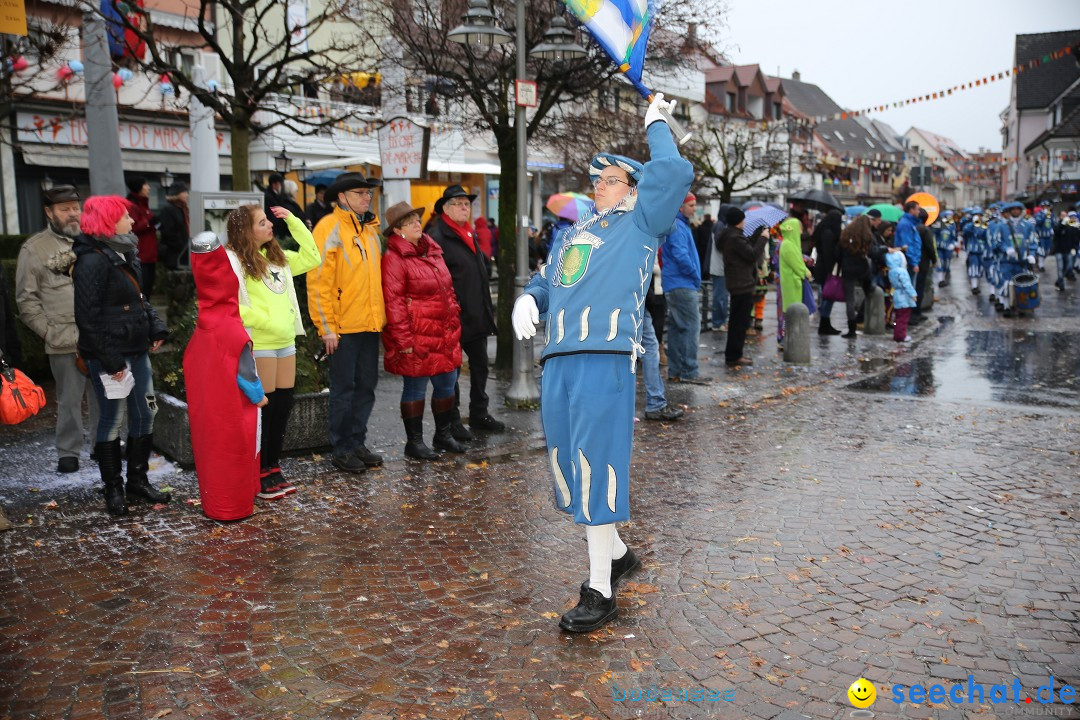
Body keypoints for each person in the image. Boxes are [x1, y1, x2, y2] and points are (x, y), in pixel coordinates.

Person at [511, 94, 693, 633]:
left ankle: (599, 589)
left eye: (611, 179)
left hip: (604, 356)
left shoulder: (642, 222)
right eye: (598, 180)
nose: (600, 187)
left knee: (598, 465)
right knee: (568, 467)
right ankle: (616, 553)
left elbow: (673, 171)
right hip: (560, 358)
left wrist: (657, 123)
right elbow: (551, 277)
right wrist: (530, 297)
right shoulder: (574, 231)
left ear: (634, 189)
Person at [72, 195, 170, 516]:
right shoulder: (91, 260)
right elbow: (87, 319)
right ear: (107, 222)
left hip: (136, 349)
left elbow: (140, 299)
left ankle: (137, 481)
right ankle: (113, 488)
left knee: (146, 413)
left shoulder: (127, 252)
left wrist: (155, 328)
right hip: (109, 356)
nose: (132, 221)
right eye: (125, 216)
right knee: (112, 420)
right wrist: (112, 362)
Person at [226, 203, 320, 499]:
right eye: (262, 222)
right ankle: (260, 470)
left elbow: (312, 256)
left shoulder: (277, 258)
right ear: (246, 230)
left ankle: (273, 466)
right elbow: (231, 305)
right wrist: (264, 322)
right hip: (262, 343)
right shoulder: (234, 261)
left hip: (286, 343)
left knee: (282, 406)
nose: (270, 226)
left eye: (269, 221)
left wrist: (293, 221)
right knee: (265, 409)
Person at [16, 185, 98, 473]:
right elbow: (26, 301)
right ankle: (69, 452)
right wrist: (48, 332)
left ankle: (105, 446)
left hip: (99, 337)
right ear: (49, 213)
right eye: (65, 209)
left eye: (76, 208)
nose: (73, 214)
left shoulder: (94, 241)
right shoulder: (34, 249)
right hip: (64, 339)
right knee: (69, 399)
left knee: (105, 394)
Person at [308, 172, 386, 473]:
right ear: (342, 197)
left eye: (368, 194)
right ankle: (341, 448)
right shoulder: (329, 228)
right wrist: (326, 327)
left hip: (369, 324)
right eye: (360, 193)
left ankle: (357, 442)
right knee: (343, 390)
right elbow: (318, 282)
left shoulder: (370, 231)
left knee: (366, 387)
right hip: (342, 329)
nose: (367, 198)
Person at [185, 231, 267, 522]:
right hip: (233, 414)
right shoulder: (233, 330)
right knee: (235, 458)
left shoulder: (202, 327)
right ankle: (234, 508)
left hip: (208, 414)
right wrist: (260, 396)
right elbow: (246, 377)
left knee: (213, 459)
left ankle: (215, 505)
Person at [380, 202, 466, 460]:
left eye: (418, 219)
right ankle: (414, 442)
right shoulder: (393, 259)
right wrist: (403, 339)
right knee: (415, 388)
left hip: (443, 332)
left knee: (446, 384)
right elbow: (393, 302)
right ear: (398, 231)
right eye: (411, 221)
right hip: (416, 334)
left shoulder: (433, 251)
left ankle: (443, 434)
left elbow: (448, 288)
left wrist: (454, 312)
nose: (418, 223)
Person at [428, 185, 505, 436]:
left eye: (467, 203)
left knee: (480, 365)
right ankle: (453, 421)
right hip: (452, 317)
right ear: (446, 208)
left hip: (476, 313)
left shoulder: (467, 232)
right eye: (459, 203)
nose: (465, 207)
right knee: (451, 372)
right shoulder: (437, 236)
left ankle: (479, 413)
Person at [661, 192, 708, 384]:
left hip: (675, 283)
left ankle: (676, 370)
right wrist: (695, 275)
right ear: (680, 207)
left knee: (677, 328)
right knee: (690, 327)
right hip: (682, 283)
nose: (694, 208)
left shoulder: (676, 225)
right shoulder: (678, 227)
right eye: (691, 205)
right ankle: (689, 370)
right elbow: (681, 256)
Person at [720, 208, 768, 368]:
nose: (745, 221)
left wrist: (757, 234)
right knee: (739, 322)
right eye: (743, 219)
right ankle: (734, 356)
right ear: (739, 221)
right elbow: (752, 254)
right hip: (741, 284)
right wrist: (763, 239)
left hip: (738, 282)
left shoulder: (733, 235)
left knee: (738, 321)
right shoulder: (734, 238)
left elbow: (746, 247)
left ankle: (735, 354)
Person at [640, 256, 683, 422]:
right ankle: (655, 402)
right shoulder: (635, 235)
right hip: (638, 299)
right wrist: (651, 299)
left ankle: (655, 401)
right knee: (650, 347)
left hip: (631, 299)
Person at [836, 215, 875, 338]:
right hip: (862, 268)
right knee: (870, 292)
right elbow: (872, 252)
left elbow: (838, 253)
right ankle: (867, 319)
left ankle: (851, 330)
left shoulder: (846, 234)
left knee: (850, 301)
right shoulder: (867, 236)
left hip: (847, 269)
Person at [777, 217, 812, 344]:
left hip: (793, 283)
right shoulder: (788, 245)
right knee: (791, 312)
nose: (801, 232)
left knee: (792, 312)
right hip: (791, 284)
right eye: (799, 229)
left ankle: (790, 339)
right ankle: (787, 340)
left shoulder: (789, 244)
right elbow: (796, 264)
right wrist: (806, 272)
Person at [811, 209, 843, 335]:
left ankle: (826, 323)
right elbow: (828, 253)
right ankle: (824, 324)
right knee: (828, 297)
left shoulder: (823, 231)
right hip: (825, 269)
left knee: (827, 297)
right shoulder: (828, 233)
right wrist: (831, 271)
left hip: (822, 268)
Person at [126, 177, 158, 297]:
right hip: (140, 255)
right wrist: (149, 223)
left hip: (149, 254)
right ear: (139, 187)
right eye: (146, 185)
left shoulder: (143, 204)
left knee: (148, 288)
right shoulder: (132, 204)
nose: (148, 187)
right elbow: (132, 227)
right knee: (142, 290)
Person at [157, 182, 190, 270]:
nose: (187, 195)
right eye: (185, 192)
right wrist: (181, 245)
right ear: (177, 194)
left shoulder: (183, 209)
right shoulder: (168, 209)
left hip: (184, 252)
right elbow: (168, 231)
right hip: (174, 254)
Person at [886, 251, 917, 343]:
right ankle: (901, 336)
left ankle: (897, 334)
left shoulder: (891, 271)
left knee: (898, 317)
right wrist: (913, 294)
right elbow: (907, 284)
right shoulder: (902, 271)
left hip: (896, 295)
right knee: (904, 318)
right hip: (904, 297)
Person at [708, 213, 728, 332]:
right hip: (720, 268)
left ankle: (719, 322)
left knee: (721, 297)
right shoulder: (720, 226)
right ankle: (718, 323)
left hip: (719, 267)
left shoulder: (718, 225)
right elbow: (720, 245)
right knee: (720, 297)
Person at [1051, 211, 1079, 291]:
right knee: (1060, 268)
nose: (1065, 217)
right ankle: (1061, 285)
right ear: (1060, 217)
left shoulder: (1070, 225)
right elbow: (1056, 231)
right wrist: (1062, 224)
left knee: (1068, 267)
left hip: (1068, 250)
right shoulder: (1058, 224)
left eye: (1065, 215)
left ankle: (1059, 281)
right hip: (1059, 250)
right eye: (1063, 216)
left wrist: (1074, 247)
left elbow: (1075, 237)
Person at [962, 213, 989, 295]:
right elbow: (965, 232)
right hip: (973, 250)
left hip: (982, 250)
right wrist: (973, 224)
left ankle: (977, 285)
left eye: (980, 215)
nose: (979, 217)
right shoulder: (969, 225)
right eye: (977, 215)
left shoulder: (983, 224)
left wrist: (984, 225)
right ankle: (974, 287)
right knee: (973, 268)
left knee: (980, 269)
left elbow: (985, 235)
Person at [934, 210, 956, 288]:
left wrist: (953, 244)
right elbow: (934, 233)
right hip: (939, 247)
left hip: (948, 248)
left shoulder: (953, 225)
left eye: (951, 215)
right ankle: (940, 280)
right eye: (948, 215)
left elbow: (954, 237)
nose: (950, 217)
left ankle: (943, 278)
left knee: (946, 263)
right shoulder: (939, 224)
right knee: (940, 262)